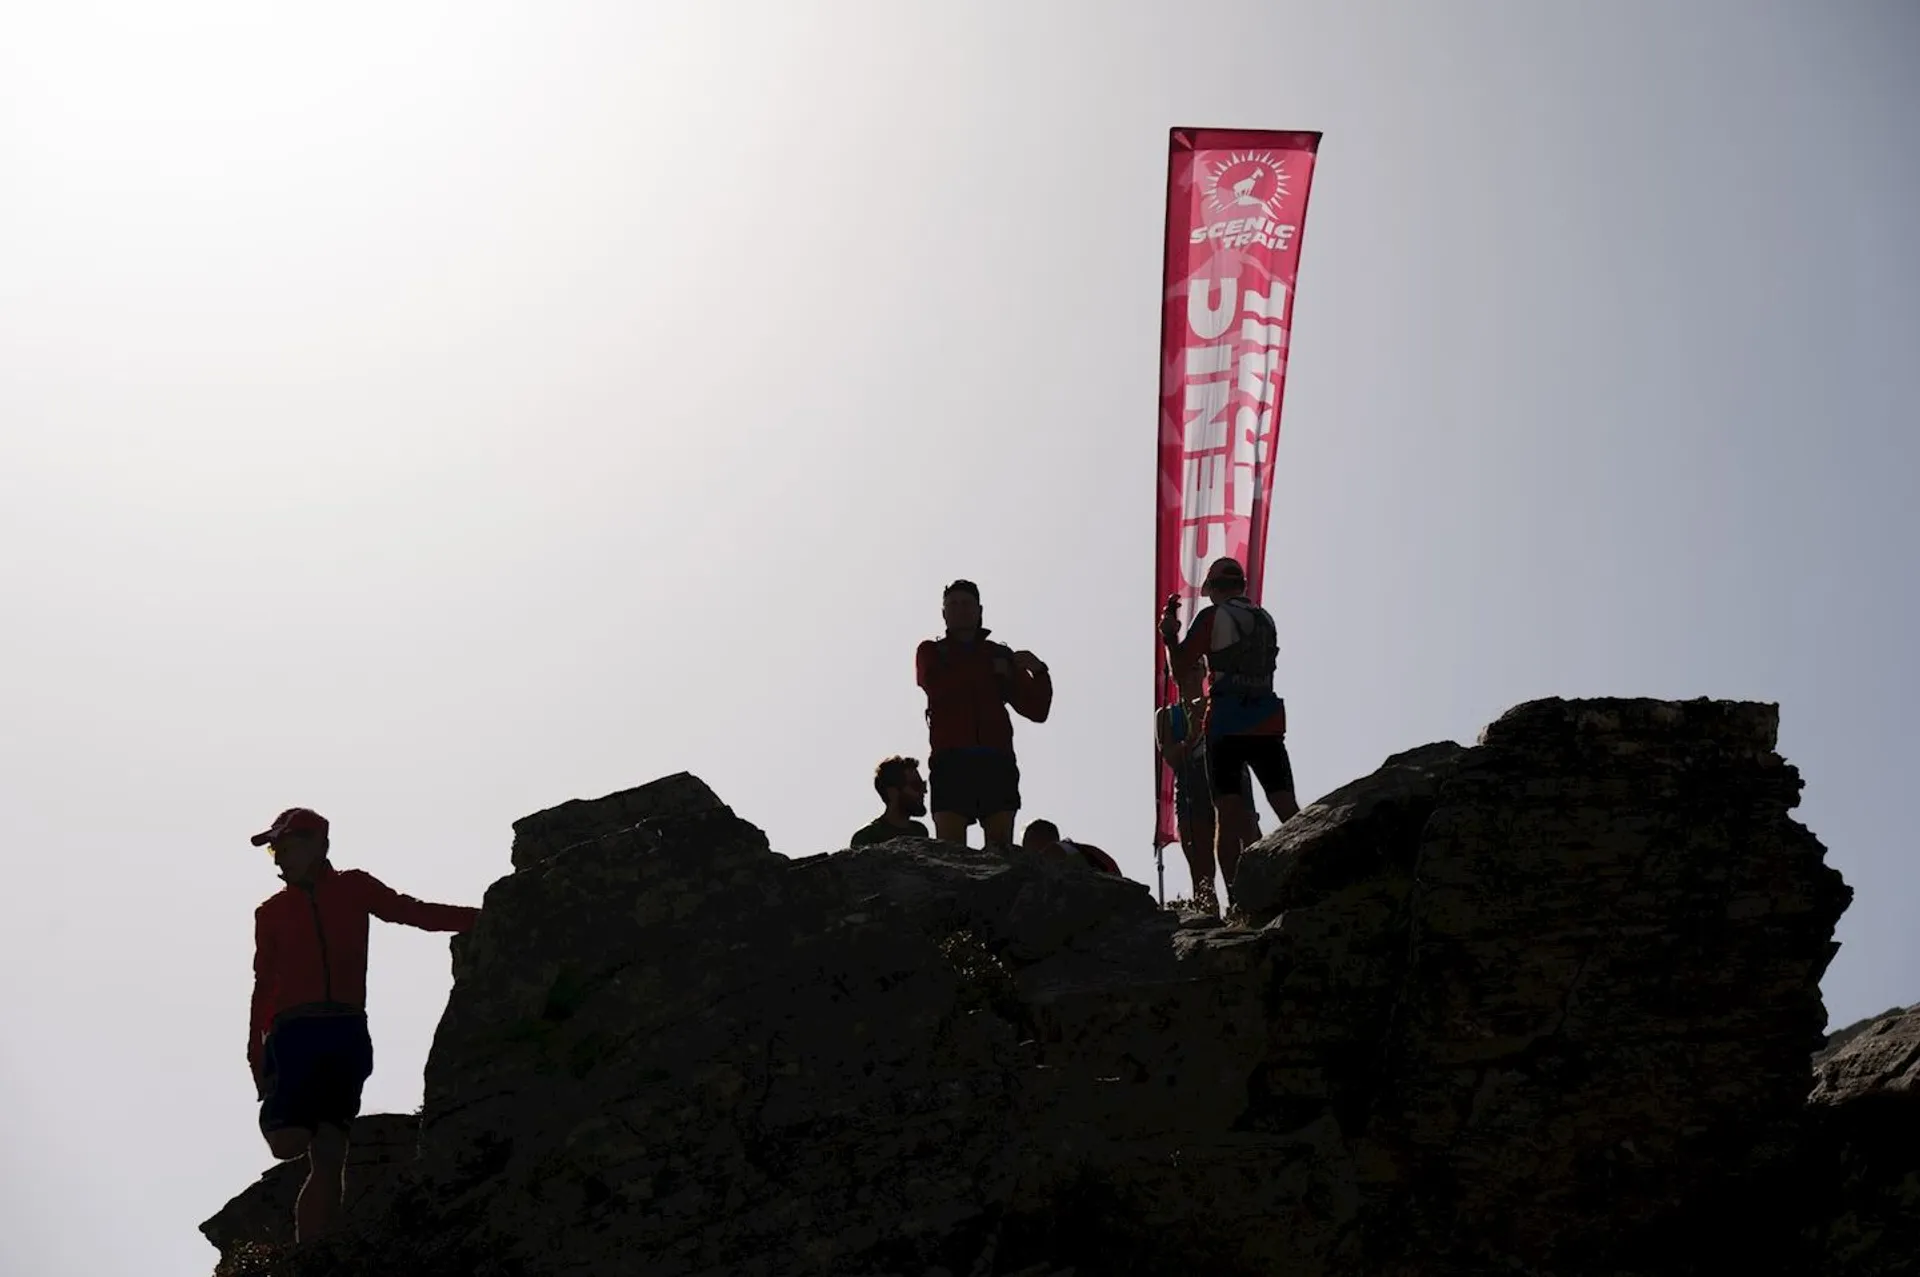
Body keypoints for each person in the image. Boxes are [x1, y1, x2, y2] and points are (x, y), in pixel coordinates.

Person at [246, 806, 480, 1243]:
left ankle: (312, 1257)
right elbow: (264, 987)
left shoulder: (355, 887)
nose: (279, 857)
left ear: (320, 845)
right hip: (294, 1033)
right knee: (288, 1143)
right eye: (274, 850)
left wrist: (483, 916)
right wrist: (256, 1055)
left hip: (347, 1031)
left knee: (331, 1151)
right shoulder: (270, 913)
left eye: (287, 845)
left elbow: (412, 911)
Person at [1159, 556, 1299, 903]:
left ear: (1213, 589)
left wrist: (1169, 636)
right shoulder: (1265, 619)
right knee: (1284, 803)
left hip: (1226, 724)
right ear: (1241, 584)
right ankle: (1314, 868)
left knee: (1229, 815)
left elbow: (1180, 669)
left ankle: (1238, 900)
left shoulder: (1212, 617)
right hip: (1267, 720)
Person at [915, 579, 1053, 850]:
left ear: (979, 610)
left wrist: (1039, 671)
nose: (960, 610)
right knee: (949, 853)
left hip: (995, 759)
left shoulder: (998, 654)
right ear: (943, 613)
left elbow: (1036, 710)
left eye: (966, 604)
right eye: (952, 605)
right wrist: (992, 668)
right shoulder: (932, 651)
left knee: (999, 852)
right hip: (951, 759)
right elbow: (935, 685)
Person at [1155, 653, 1219, 915]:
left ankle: (1244, 909)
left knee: (1235, 847)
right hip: (1191, 784)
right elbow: (1170, 757)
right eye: (1185, 670)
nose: (1191, 675)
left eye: (1196, 669)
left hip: (1220, 779)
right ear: (1175, 676)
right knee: (1199, 857)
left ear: (1205, 672)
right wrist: (1191, 737)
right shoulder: (1167, 715)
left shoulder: (1216, 703)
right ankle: (1208, 913)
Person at [849, 755, 931, 846]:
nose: (924, 791)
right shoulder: (867, 837)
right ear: (892, 792)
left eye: (923, 785)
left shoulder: (920, 831)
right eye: (916, 786)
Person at [1021, 819, 1123, 876]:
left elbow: (1042, 861)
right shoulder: (1078, 849)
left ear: (1033, 836)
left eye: (1025, 841)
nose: (1024, 848)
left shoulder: (1062, 847)